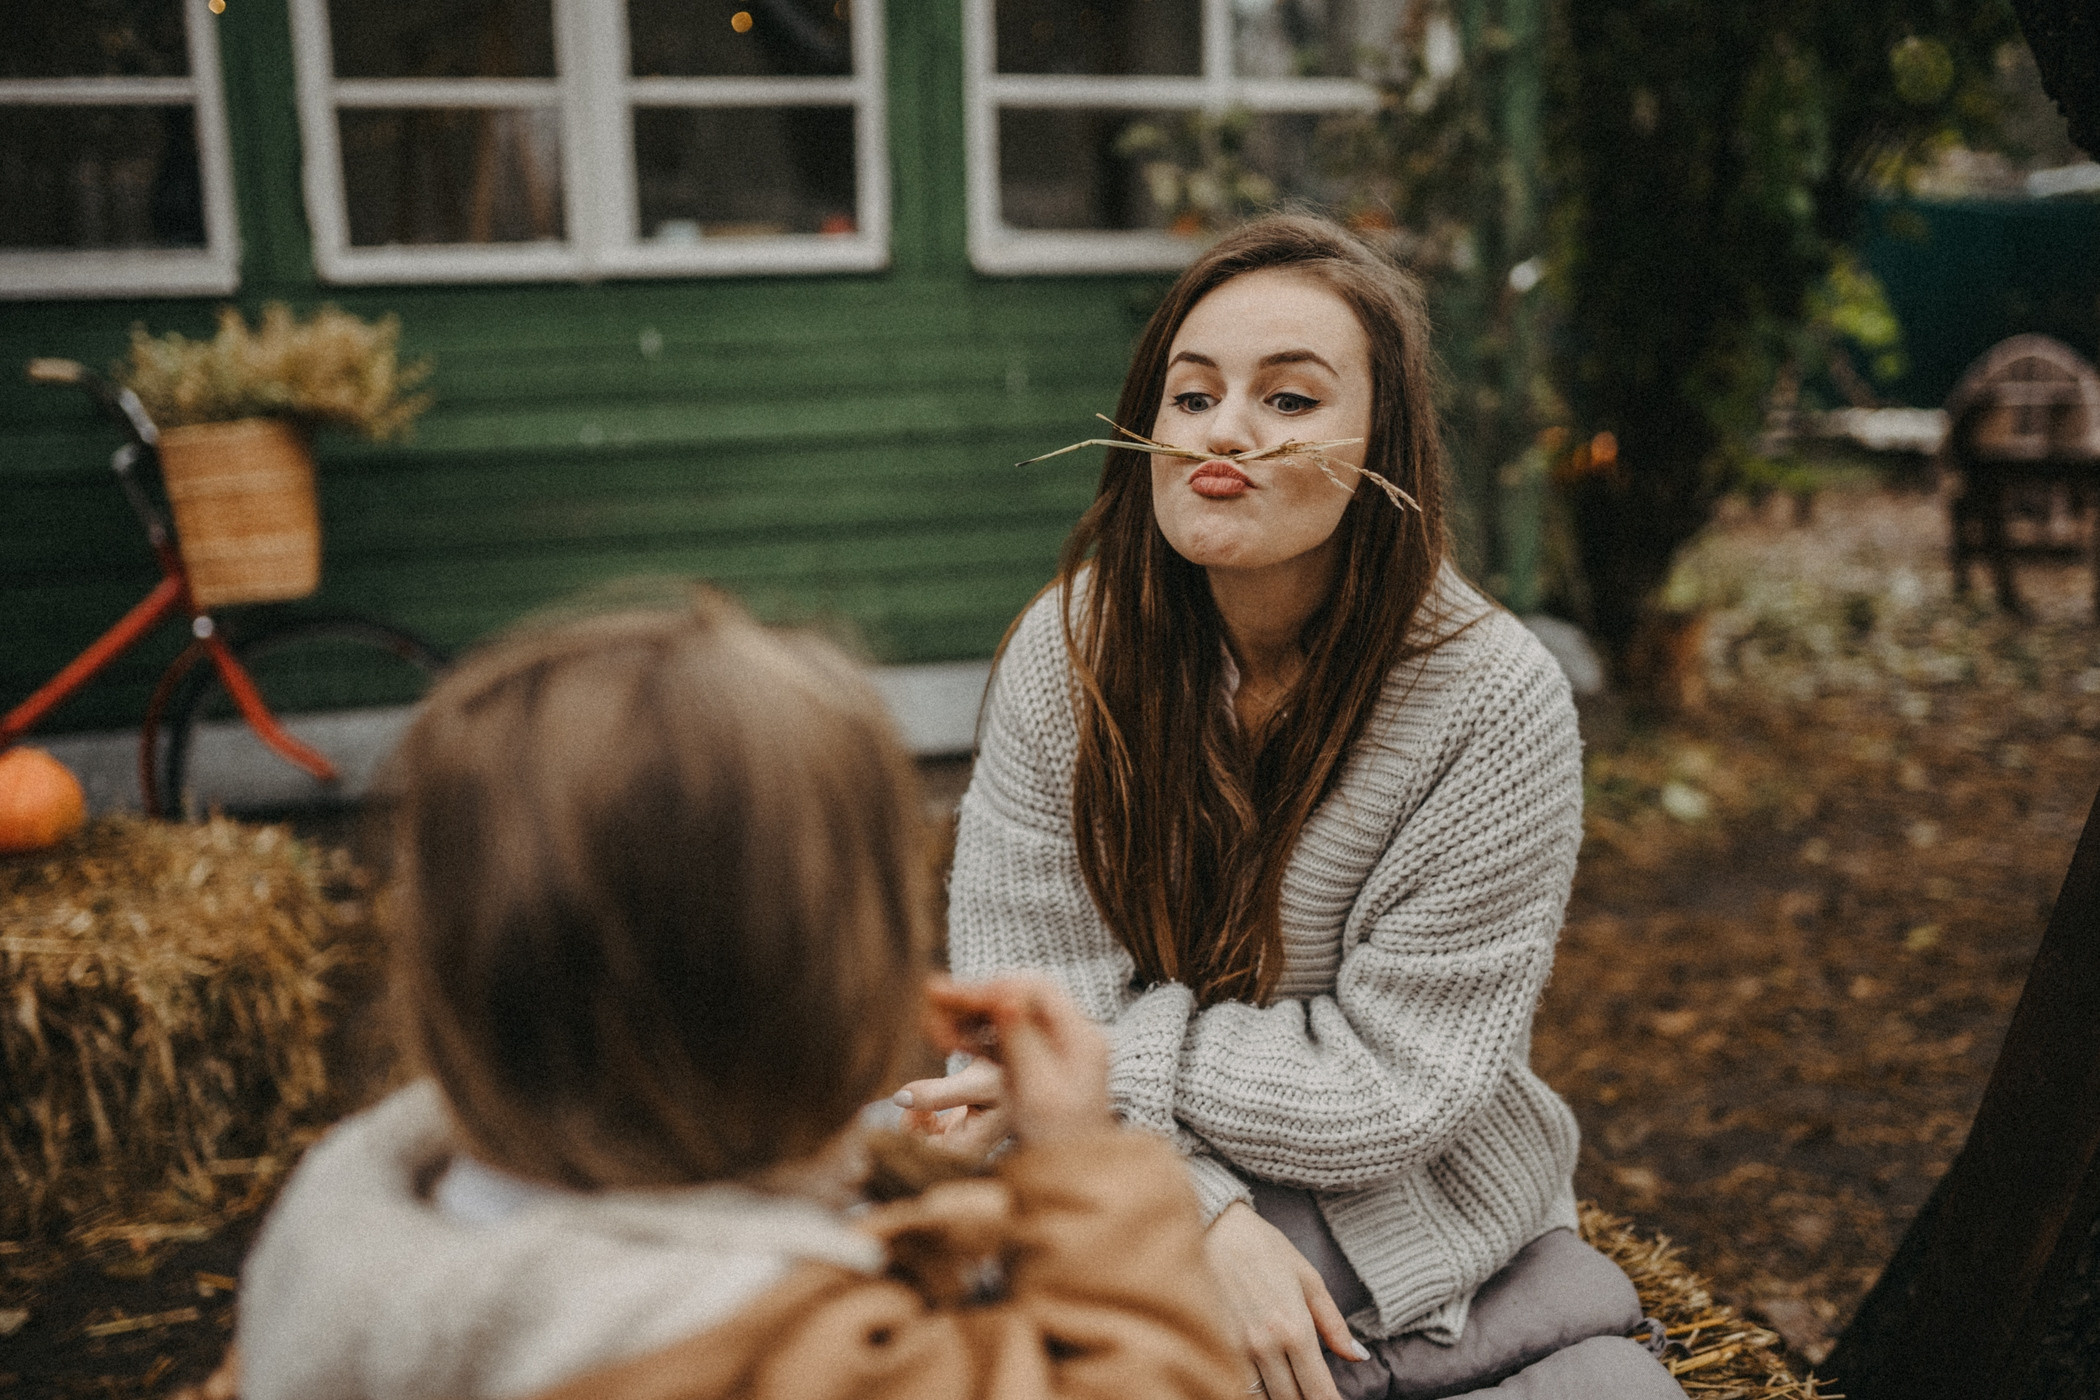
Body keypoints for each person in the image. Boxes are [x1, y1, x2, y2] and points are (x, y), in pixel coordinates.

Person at [898, 216, 1686, 1400]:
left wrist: (1087, 1065)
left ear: (1388, 450)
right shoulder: (1069, 651)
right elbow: (1026, 1005)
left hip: (1401, 1196)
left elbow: (1390, 1087)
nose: (1225, 430)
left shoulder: (1495, 701)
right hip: (1114, 1164)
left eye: (1291, 400)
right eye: (1193, 392)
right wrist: (1201, 1214)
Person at [225, 592, 1244, 1400]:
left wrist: (879, 1171)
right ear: (812, 1009)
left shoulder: (352, 1249)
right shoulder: (774, 1352)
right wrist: (1080, 1161)